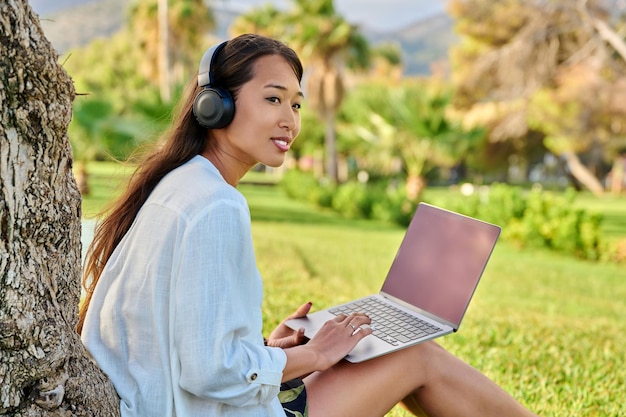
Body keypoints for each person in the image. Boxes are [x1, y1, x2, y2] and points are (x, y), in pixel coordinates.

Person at [79, 33, 538, 417]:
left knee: (388, 351)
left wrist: (270, 347)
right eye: (273, 99)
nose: (289, 120)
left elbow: (187, 340)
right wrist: (313, 354)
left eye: (296, 105)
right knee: (417, 355)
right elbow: (208, 373)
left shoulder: (181, 182)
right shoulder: (216, 204)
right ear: (214, 106)